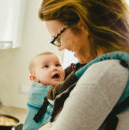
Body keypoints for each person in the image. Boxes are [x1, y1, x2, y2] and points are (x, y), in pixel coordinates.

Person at [37, 0, 129, 130]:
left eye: (58, 38)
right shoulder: (120, 65)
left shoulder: (102, 74)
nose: (60, 47)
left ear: (82, 25)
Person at [23, 52, 65, 130]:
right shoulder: (37, 90)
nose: (54, 68)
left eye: (57, 65)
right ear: (34, 78)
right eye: (46, 66)